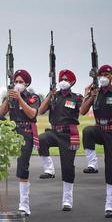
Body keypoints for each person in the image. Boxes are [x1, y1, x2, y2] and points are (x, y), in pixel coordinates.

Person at [80, 55, 112, 218]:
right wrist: (91, 95)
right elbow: (82, 111)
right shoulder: (97, 92)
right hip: (100, 129)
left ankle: (110, 205)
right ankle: (92, 164)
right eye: (101, 75)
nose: (103, 78)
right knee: (87, 132)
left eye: (107, 75)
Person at [37, 69, 83, 211]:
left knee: (67, 167)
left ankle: (67, 200)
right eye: (61, 79)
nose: (63, 81)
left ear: (72, 82)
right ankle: (49, 169)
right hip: (54, 131)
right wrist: (50, 94)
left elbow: (83, 110)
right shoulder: (53, 96)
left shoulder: (77, 98)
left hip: (68, 134)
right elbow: (41, 110)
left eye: (66, 80)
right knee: (41, 139)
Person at [0, 69, 40, 216]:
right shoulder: (11, 97)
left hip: (26, 132)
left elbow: (32, 114)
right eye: (16, 82)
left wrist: (20, 98)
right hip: (12, 130)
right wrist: (8, 99)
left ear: (26, 83)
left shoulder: (33, 97)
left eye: (20, 82)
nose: (17, 84)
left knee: (22, 167)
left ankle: (24, 204)